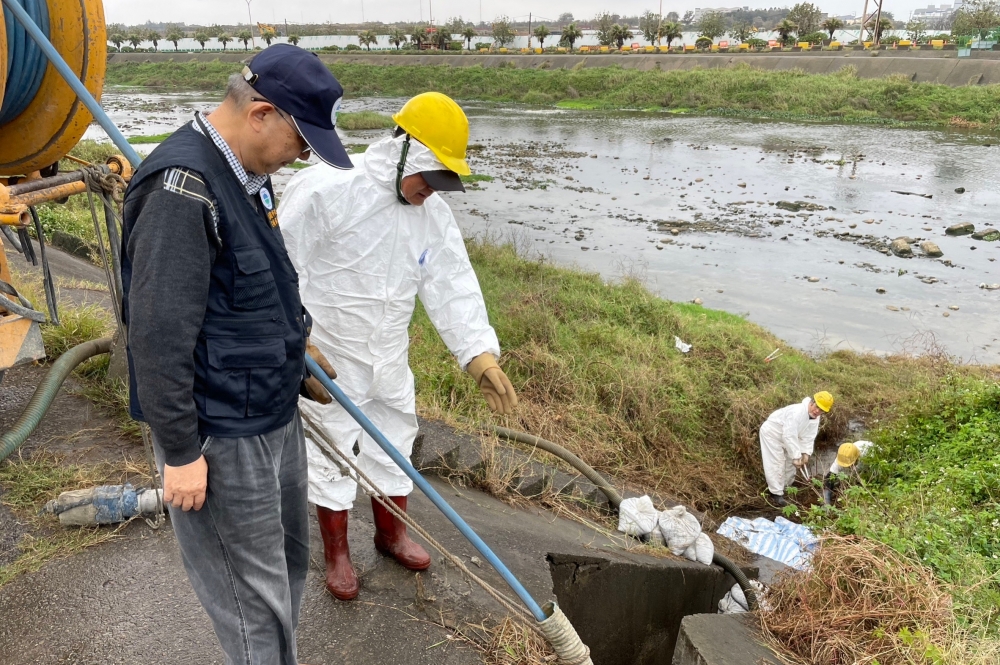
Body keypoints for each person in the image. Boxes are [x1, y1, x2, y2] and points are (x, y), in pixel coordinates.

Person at [121, 44, 349, 665]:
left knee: (286, 576)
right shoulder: (182, 188)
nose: (304, 157)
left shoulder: (249, 179)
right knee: (253, 607)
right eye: (302, 142)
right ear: (262, 114)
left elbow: (257, 282)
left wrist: (295, 345)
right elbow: (157, 334)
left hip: (271, 416)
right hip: (221, 434)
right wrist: (180, 452)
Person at [278, 92, 518, 601]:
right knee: (331, 450)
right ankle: (338, 553)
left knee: (396, 439)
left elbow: (451, 283)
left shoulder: (432, 216)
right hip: (330, 360)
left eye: (442, 183)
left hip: (389, 357)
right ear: (404, 152)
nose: (432, 191)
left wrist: (477, 353)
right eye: (428, 178)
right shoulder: (327, 188)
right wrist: (294, 343)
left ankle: (391, 535)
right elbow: (277, 267)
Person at [758, 391, 833, 507]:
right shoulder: (797, 412)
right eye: (817, 407)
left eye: (821, 410)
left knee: (790, 464)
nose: (818, 411)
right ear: (812, 402)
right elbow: (789, 435)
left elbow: (809, 437)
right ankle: (775, 493)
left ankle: (786, 486)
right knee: (777, 462)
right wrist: (796, 456)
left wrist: (806, 453)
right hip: (773, 434)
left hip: (789, 438)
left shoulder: (815, 418)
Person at [823, 440, 874, 505]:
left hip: (873, 462)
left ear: (857, 458)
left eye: (849, 465)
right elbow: (830, 476)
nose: (848, 467)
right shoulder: (843, 456)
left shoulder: (867, 456)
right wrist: (827, 500)